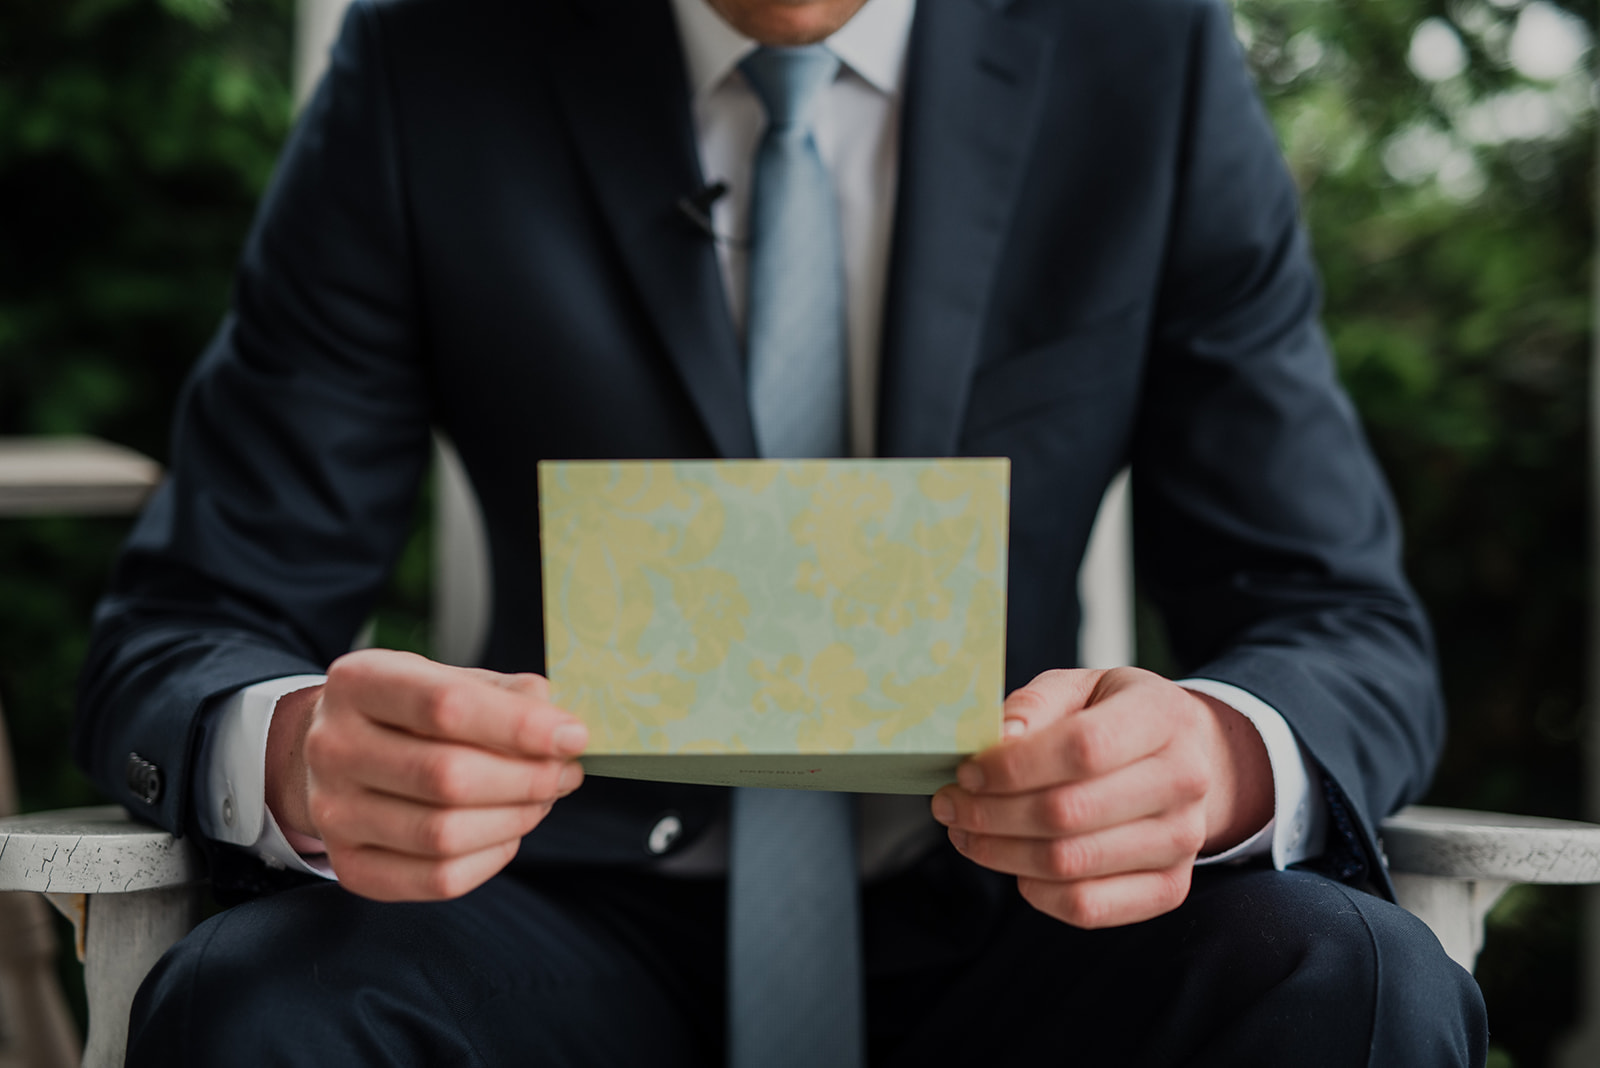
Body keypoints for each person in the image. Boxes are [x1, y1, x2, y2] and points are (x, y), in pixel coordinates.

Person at [76, 0, 1488, 1063]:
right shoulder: (433, 55)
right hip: (555, 910)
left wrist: (1220, 761)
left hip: (1024, 921)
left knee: (1354, 986)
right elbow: (192, 620)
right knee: (260, 1010)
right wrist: (298, 753)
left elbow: (1337, 617)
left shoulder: (1140, 50)